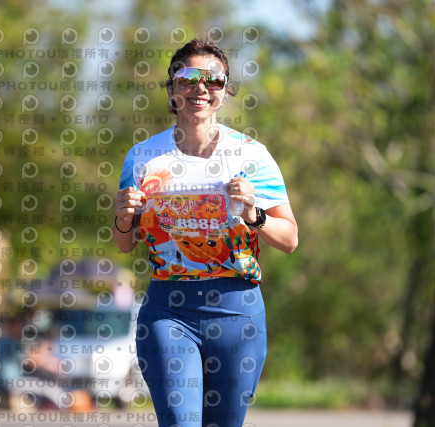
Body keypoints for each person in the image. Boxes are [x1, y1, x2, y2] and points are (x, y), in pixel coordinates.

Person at [113, 38, 298, 427]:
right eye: (188, 78)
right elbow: (124, 243)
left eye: (213, 80)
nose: (200, 88)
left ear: (225, 90)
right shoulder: (143, 157)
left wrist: (254, 213)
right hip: (168, 310)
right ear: (172, 87)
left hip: (237, 312)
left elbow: (289, 239)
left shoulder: (251, 154)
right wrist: (123, 218)